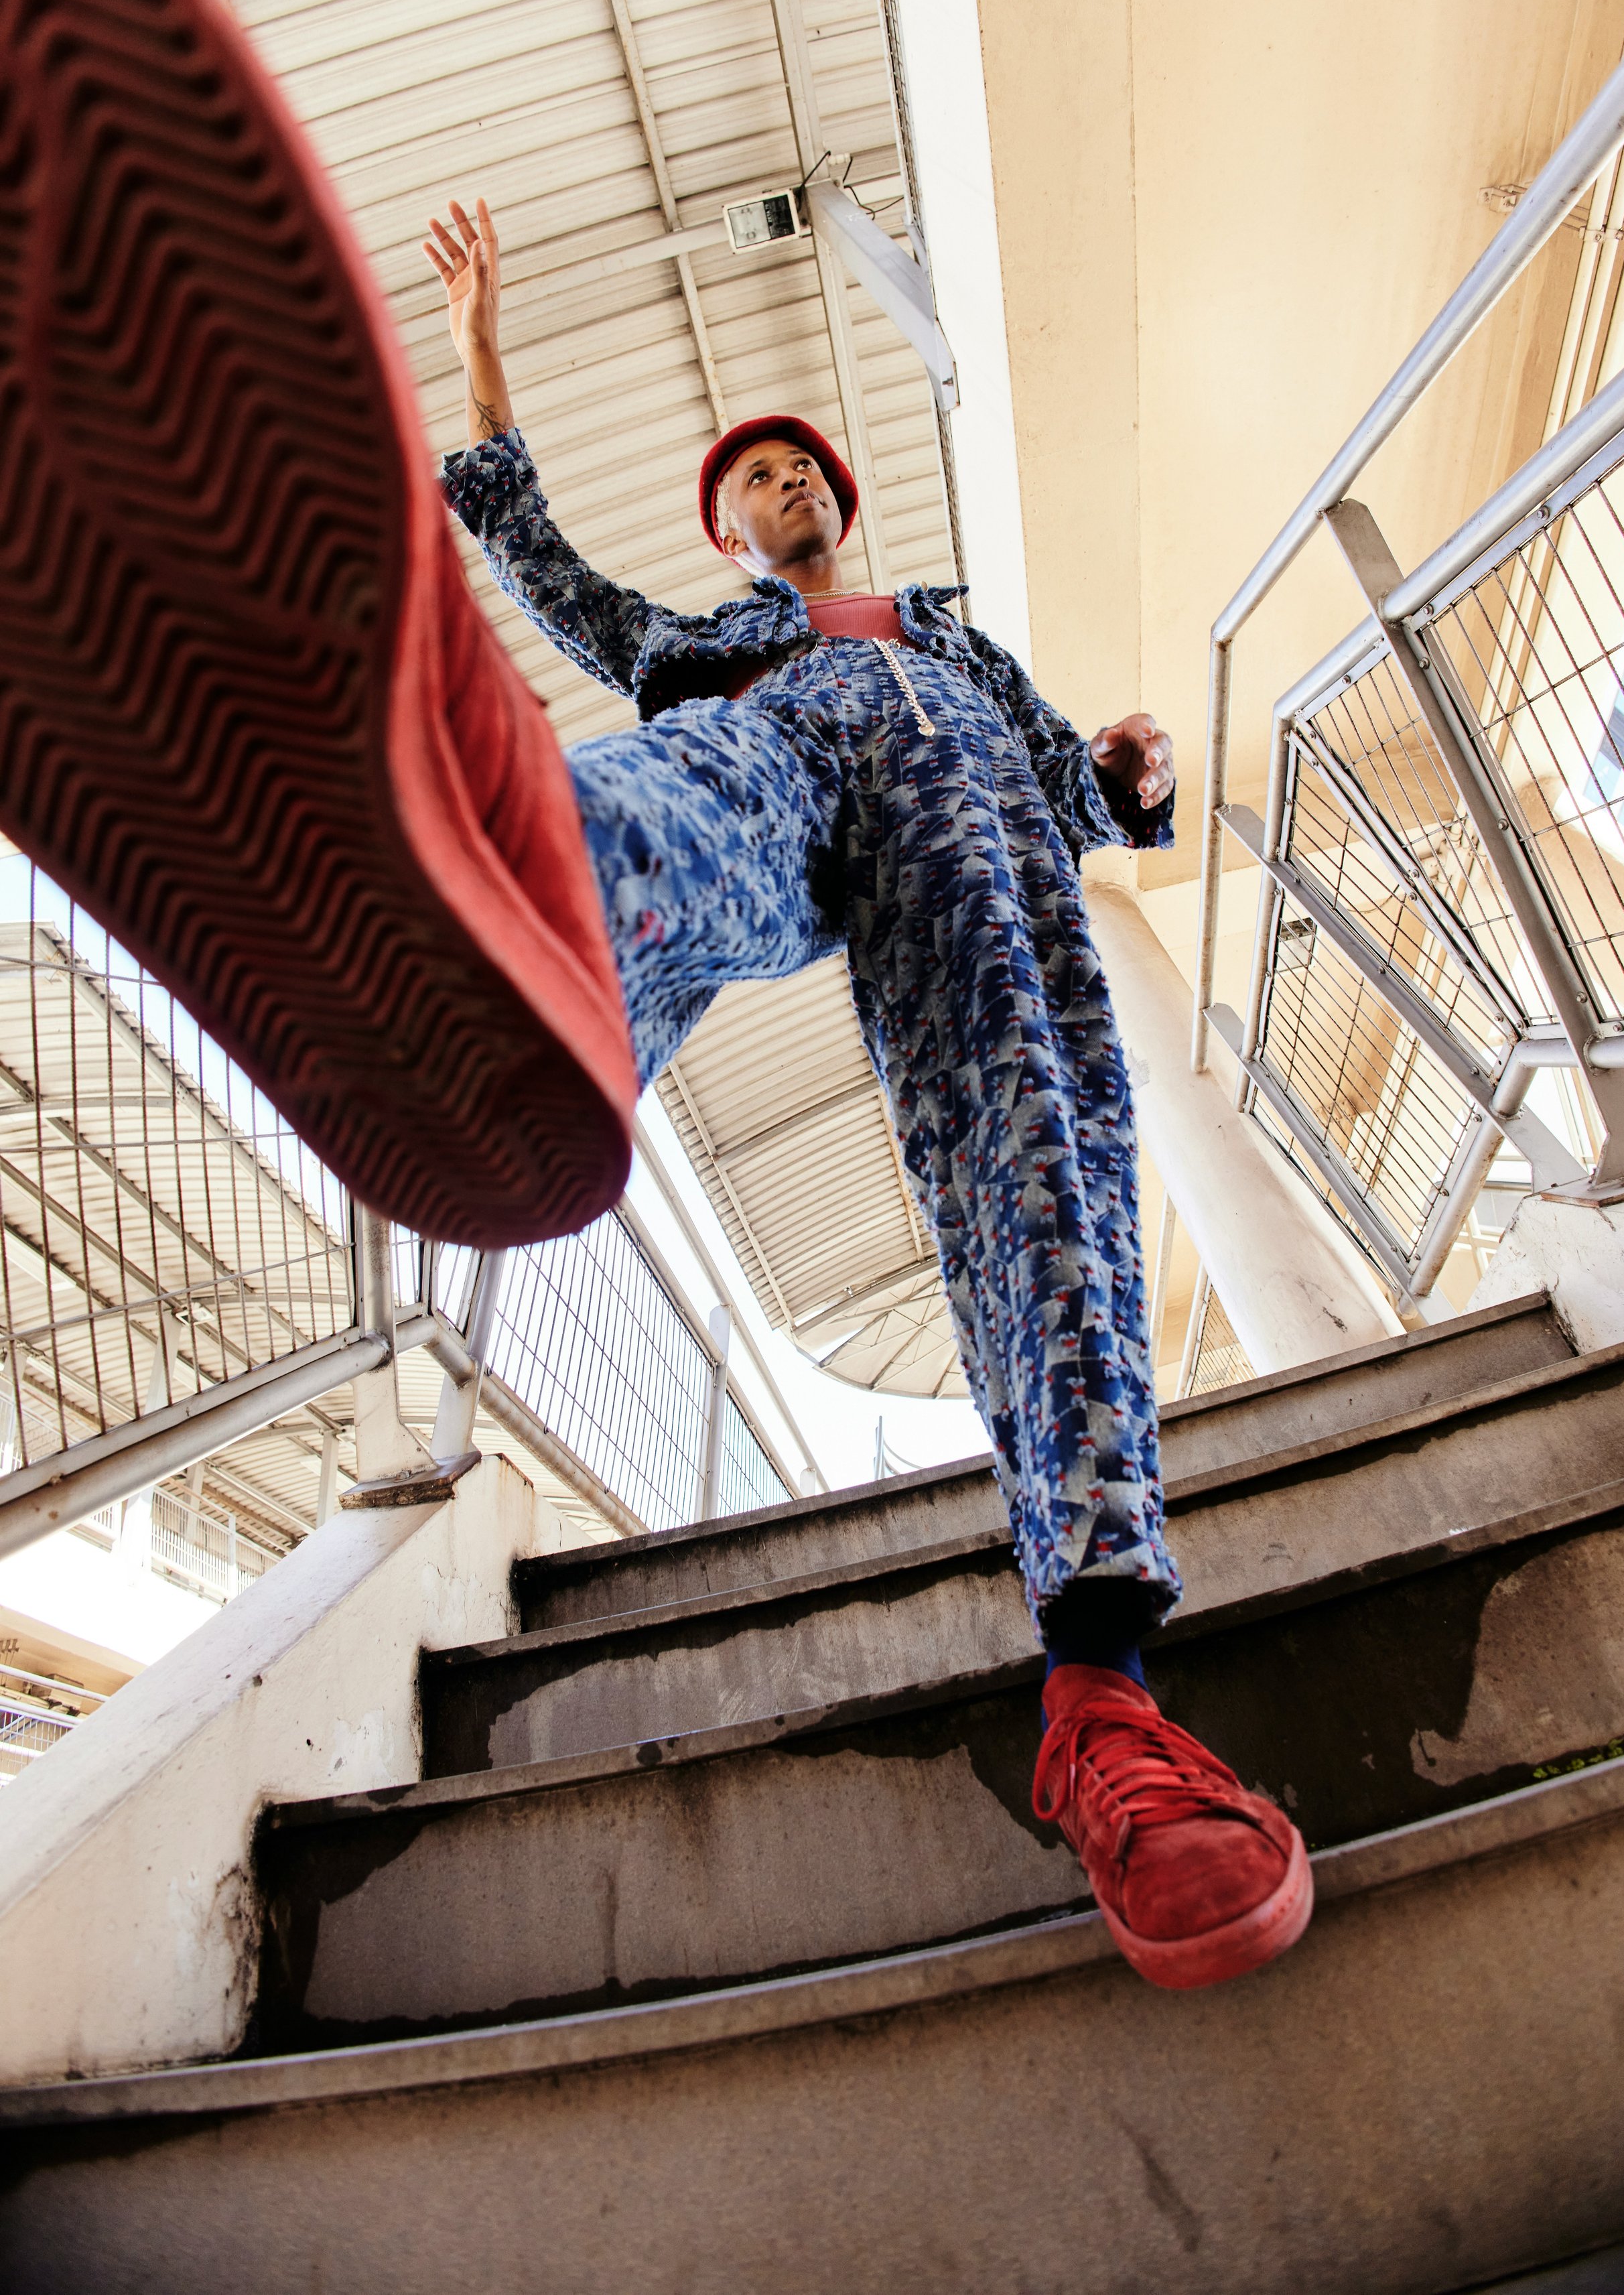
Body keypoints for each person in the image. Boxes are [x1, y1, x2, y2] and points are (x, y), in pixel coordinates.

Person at [421, 196, 1314, 1992]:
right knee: (679, 792)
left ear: (838, 498)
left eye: (794, 469)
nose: (778, 488)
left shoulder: (962, 647)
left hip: (983, 889)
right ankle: (507, 947)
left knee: (1049, 1198)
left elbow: (1081, 797)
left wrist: (1126, 772)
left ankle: (1103, 1703)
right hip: (782, 769)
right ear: (733, 535)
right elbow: (545, 567)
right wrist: (481, 354)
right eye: (749, 483)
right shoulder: (711, 644)